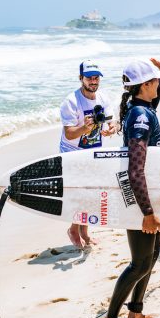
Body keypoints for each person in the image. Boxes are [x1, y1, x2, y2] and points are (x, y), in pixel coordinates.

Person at [98, 59, 160, 318]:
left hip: (149, 193)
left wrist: (158, 68)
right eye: (154, 80)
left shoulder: (140, 106)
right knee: (140, 262)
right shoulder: (141, 114)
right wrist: (148, 212)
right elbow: (135, 167)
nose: (159, 84)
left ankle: (135, 313)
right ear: (144, 86)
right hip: (141, 199)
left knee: (151, 257)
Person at [59, 60, 117, 248]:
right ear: (80, 78)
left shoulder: (103, 97)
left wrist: (111, 129)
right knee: (80, 194)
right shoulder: (71, 101)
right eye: (89, 78)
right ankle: (74, 230)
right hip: (73, 152)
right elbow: (69, 133)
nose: (93, 81)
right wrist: (84, 127)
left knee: (91, 193)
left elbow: (112, 122)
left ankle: (84, 231)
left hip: (93, 151)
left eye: (96, 78)